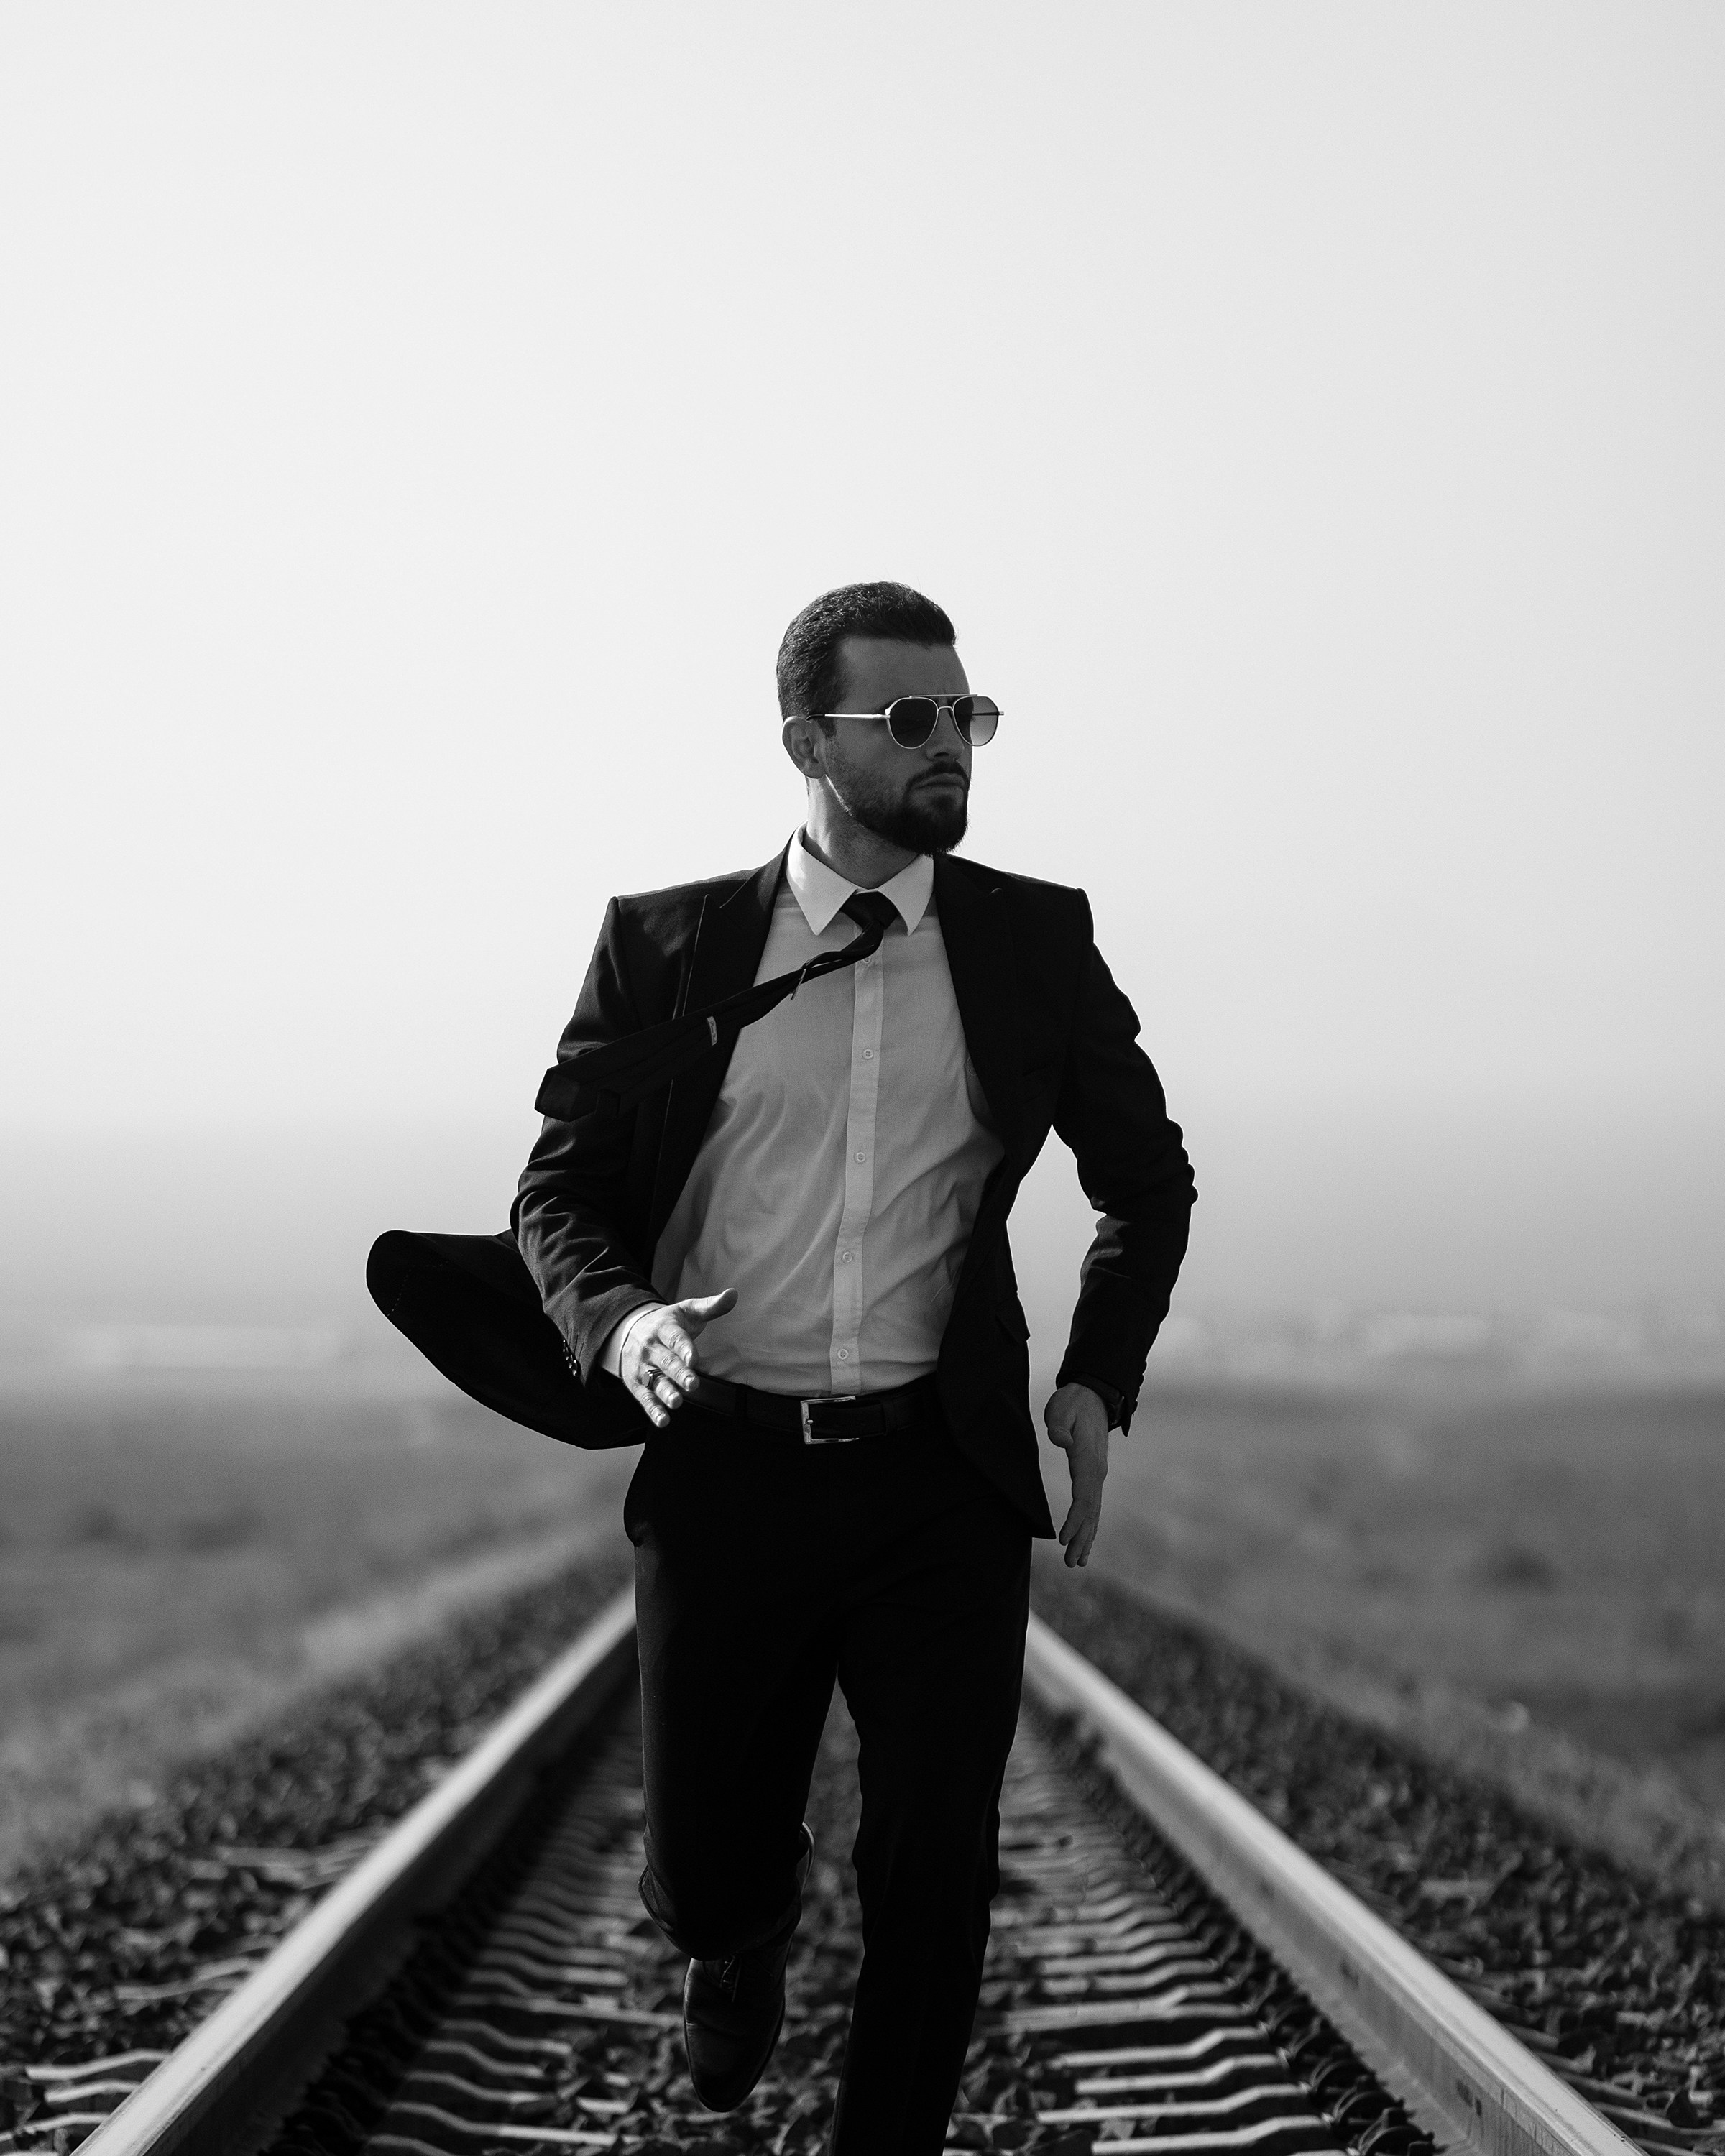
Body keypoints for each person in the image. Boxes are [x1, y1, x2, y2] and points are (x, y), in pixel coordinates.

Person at [512, 581, 1195, 2151]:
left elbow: (1145, 1179)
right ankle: (734, 1941)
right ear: (807, 743)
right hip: (729, 1471)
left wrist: (1096, 1377)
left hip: (936, 1485)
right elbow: (559, 1188)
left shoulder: (1033, 940)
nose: (953, 745)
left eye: (968, 716)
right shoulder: (670, 945)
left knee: (936, 1868)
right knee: (709, 1865)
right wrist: (623, 1321)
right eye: (912, 721)